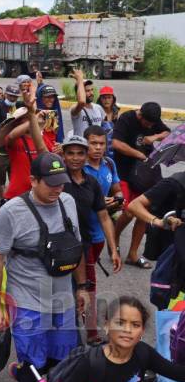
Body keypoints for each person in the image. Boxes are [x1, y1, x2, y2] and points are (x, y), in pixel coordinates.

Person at [0, 152, 88, 382]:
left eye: (61, 182)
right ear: (33, 180)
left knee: (63, 363)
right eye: (51, 184)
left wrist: (82, 287)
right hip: (27, 303)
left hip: (63, 300)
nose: (57, 189)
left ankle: (22, 372)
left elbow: (77, 247)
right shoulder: (11, 212)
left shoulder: (68, 202)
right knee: (34, 367)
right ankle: (24, 374)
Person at [61, 134, 122, 344]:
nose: (75, 158)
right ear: (63, 155)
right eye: (70, 153)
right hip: (57, 248)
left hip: (83, 245)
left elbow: (103, 216)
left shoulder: (92, 183)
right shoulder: (56, 180)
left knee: (87, 287)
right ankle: (66, 335)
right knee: (62, 292)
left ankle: (91, 331)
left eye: (80, 153)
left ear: (86, 156)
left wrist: (113, 250)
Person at [57, 296, 185, 382]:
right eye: (120, 323)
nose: (127, 330)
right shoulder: (87, 363)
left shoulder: (143, 352)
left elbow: (177, 373)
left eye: (135, 325)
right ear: (107, 325)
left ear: (142, 331)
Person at [112, 102, 170, 268]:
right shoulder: (127, 118)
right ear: (140, 115)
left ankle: (133, 254)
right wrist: (139, 154)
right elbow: (116, 144)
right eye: (147, 123)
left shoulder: (152, 120)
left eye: (153, 124)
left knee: (143, 212)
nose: (150, 126)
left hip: (145, 175)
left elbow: (167, 132)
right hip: (123, 172)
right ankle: (113, 237)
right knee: (129, 211)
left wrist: (154, 137)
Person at [3, 92, 54, 200]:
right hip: (17, 195)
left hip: (38, 194)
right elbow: (11, 136)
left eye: (29, 117)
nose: (30, 120)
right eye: (25, 118)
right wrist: (33, 118)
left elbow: (50, 156)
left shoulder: (42, 137)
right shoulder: (15, 139)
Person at [70, 71, 106, 137]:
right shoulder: (75, 110)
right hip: (82, 146)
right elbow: (81, 102)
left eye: (92, 90)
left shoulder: (98, 108)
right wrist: (80, 79)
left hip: (95, 146)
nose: (91, 93)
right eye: (87, 91)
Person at [97, 86, 120, 158]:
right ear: (100, 99)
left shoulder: (116, 113)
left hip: (115, 148)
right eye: (104, 98)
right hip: (101, 148)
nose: (106, 100)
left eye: (109, 97)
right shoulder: (97, 113)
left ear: (113, 99)